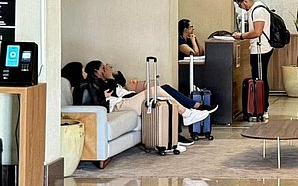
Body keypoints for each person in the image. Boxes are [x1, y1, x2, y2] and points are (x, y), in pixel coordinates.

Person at [82, 59, 212, 147]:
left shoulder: (106, 81)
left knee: (163, 93)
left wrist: (113, 76)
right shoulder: (94, 83)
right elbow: (108, 93)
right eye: (103, 68)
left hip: (127, 99)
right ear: (96, 71)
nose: (105, 70)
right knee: (157, 91)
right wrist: (109, 77)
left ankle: (180, 127)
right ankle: (188, 113)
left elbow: (121, 85)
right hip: (120, 104)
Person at [233, 0, 273, 113]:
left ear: (245, 1)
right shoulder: (258, 8)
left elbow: (257, 32)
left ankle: (262, 108)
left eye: (240, 4)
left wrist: (241, 36)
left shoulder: (258, 10)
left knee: (260, 78)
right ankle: (260, 107)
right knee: (259, 78)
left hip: (261, 49)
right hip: (260, 48)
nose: (241, 7)